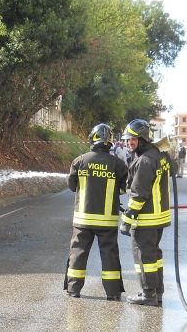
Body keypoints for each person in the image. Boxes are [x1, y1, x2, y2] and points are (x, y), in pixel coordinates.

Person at [65, 124, 129, 301]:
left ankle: (73, 289)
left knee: (78, 253)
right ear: (109, 142)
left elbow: (71, 186)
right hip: (107, 221)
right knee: (109, 255)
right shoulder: (118, 164)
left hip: (82, 219)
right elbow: (126, 188)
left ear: (92, 139)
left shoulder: (80, 161)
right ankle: (113, 292)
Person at [119, 119, 171, 306]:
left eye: (133, 139)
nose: (128, 143)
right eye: (127, 139)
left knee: (143, 256)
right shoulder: (158, 154)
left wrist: (127, 219)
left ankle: (147, 294)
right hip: (159, 217)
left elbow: (139, 194)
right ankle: (157, 292)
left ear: (142, 138)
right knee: (154, 255)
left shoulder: (145, 160)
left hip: (146, 218)